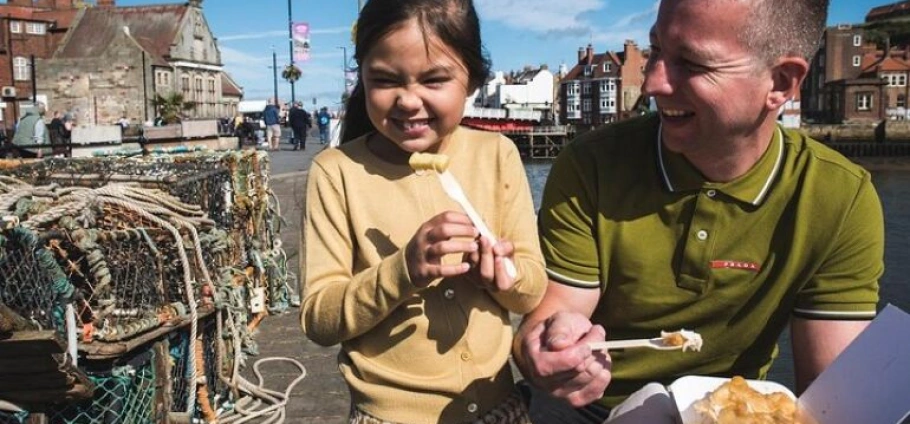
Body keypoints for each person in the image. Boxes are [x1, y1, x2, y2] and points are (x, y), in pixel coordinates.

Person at [512, 0, 885, 421]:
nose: (652, 84)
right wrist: (551, 348)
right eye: (656, 51)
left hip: (729, 411)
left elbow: (831, 401)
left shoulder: (838, 197)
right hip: (583, 410)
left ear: (781, 82)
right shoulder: (590, 164)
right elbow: (557, 310)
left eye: (691, 63)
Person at [300, 0, 547, 422]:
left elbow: (532, 288)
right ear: (361, 77)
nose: (408, 101)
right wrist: (403, 271)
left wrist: (504, 275)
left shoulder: (497, 154)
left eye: (434, 80)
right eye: (384, 80)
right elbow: (319, 317)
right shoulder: (336, 172)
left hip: (498, 406)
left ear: (472, 80)